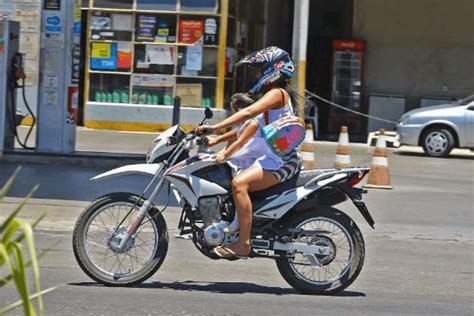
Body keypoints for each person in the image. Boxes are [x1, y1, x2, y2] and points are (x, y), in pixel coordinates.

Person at [197, 46, 302, 259]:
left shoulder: (277, 94)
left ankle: (243, 245)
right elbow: (248, 126)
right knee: (231, 173)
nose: (256, 75)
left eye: (259, 69)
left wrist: (215, 127)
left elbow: (248, 112)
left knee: (239, 184)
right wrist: (217, 138)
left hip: (282, 161)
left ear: (274, 69)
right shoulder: (272, 98)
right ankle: (231, 222)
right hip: (271, 158)